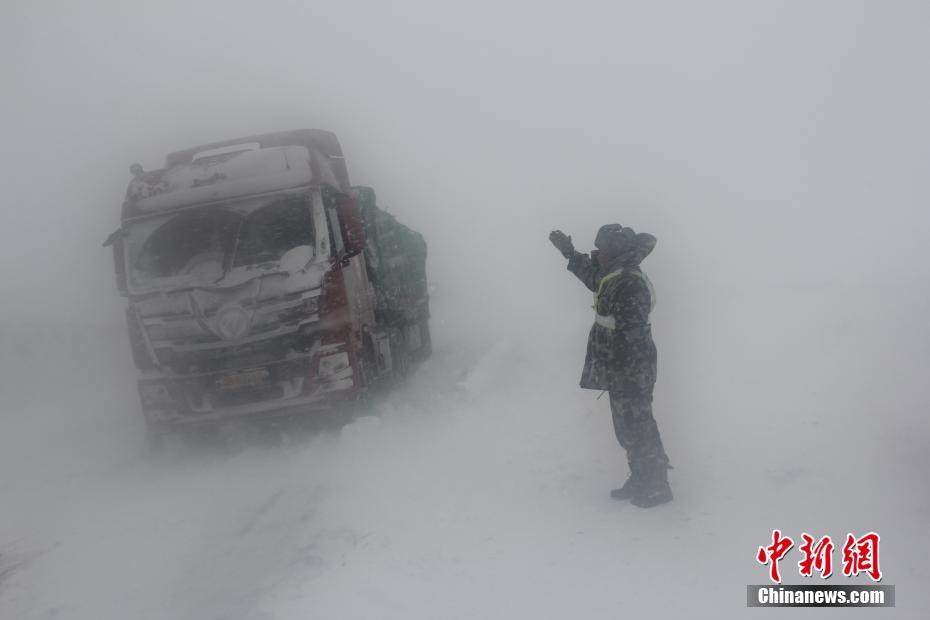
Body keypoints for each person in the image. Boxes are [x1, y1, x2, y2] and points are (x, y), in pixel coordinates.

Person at [549, 224, 673, 508]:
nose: (597, 254)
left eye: (601, 249)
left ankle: (656, 485)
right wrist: (569, 252)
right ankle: (641, 476)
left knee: (639, 424)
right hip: (621, 366)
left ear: (614, 252)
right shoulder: (614, 275)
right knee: (627, 426)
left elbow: (631, 335)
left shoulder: (630, 282)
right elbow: (594, 278)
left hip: (632, 367)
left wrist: (622, 369)